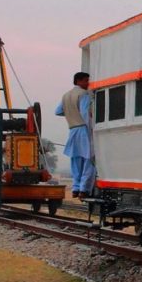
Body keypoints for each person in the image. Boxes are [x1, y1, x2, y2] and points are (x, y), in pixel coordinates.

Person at [55, 71, 95, 199]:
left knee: (75, 159)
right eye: (86, 80)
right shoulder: (84, 94)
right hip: (83, 128)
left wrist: (71, 114)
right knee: (89, 159)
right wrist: (91, 130)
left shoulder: (66, 95)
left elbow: (58, 111)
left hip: (72, 129)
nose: (88, 83)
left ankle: (76, 188)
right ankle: (84, 188)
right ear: (78, 81)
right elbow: (84, 114)